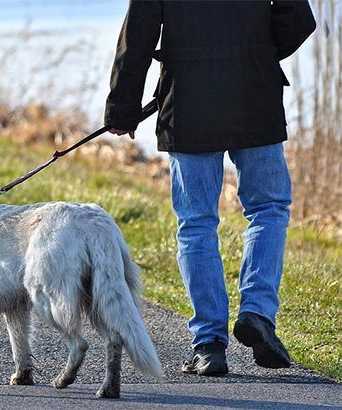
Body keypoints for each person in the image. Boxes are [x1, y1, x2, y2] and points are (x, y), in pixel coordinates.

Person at [105, 0, 316, 375]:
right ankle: (257, 314)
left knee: (196, 222)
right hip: (255, 93)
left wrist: (122, 108)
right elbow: (298, 20)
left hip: (188, 102)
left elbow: (138, 31)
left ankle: (208, 344)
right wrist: (256, 54)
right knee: (269, 209)